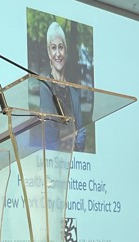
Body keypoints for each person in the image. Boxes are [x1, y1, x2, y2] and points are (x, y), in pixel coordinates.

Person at [38, 21, 86, 152]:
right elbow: (48, 130)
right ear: (49, 52)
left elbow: (81, 131)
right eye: (53, 48)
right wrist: (70, 136)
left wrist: (72, 145)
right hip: (53, 159)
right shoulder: (45, 87)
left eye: (61, 47)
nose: (58, 53)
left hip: (74, 159)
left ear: (66, 51)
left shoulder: (73, 92)